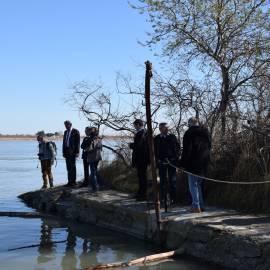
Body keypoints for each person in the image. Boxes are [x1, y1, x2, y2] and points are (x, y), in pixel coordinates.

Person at [179, 117, 211, 213]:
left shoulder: (189, 133)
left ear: (190, 124)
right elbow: (210, 146)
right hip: (204, 162)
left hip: (193, 163)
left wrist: (182, 164)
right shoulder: (206, 132)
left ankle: (195, 206)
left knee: (193, 185)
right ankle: (201, 205)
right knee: (199, 184)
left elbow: (187, 151)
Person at [154, 123, 180, 205]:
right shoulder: (157, 138)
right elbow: (154, 151)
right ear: (161, 129)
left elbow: (178, 148)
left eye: (167, 128)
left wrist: (175, 159)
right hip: (161, 162)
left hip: (171, 162)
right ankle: (163, 199)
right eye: (165, 128)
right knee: (163, 181)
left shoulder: (172, 137)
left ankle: (174, 199)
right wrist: (157, 160)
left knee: (172, 181)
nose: (167, 129)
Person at [129, 119, 149, 199]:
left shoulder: (142, 133)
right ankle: (140, 193)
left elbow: (139, 145)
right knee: (141, 176)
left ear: (138, 124)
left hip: (141, 158)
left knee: (142, 177)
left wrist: (131, 145)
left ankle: (142, 194)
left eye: (134, 125)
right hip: (142, 158)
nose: (134, 126)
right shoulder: (144, 132)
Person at [62, 120, 80, 187]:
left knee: (73, 167)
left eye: (67, 125)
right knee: (68, 167)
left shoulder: (75, 131)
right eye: (65, 125)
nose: (66, 126)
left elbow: (78, 143)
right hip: (66, 151)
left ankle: (74, 182)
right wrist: (63, 152)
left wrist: (77, 152)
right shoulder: (65, 132)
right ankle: (69, 182)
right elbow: (64, 142)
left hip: (73, 152)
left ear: (70, 124)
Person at [86, 127, 102, 192]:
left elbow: (89, 148)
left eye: (90, 131)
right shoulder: (99, 138)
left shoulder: (91, 139)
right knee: (95, 171)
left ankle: (95, 187)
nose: (88, 132)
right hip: (98, 156)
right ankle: (99, 185)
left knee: (93, 173)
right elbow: (100, 147)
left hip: (92, 157)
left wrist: (87, 149)